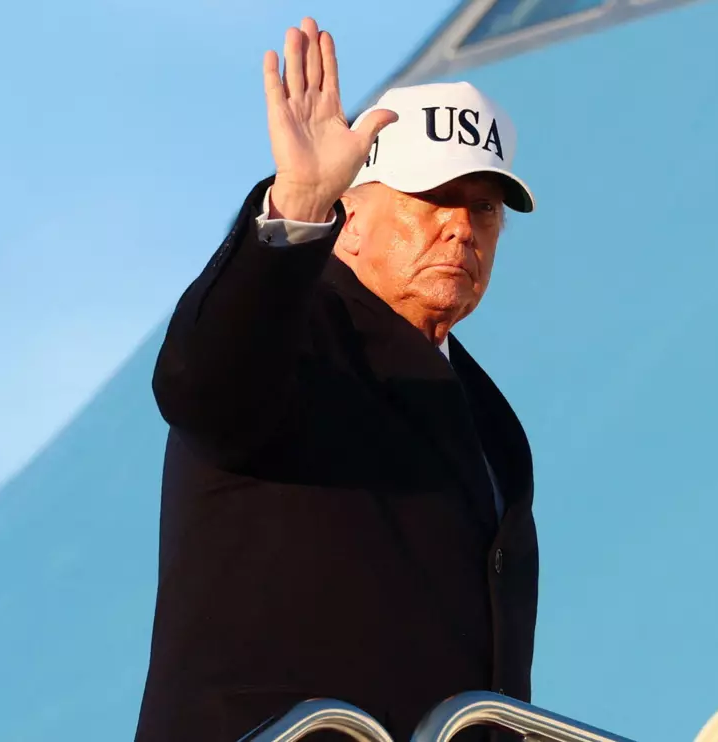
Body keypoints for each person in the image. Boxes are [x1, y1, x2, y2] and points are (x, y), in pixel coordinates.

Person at [134, 17, 540, 742]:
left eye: (482, 207)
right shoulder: (292, 334)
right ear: (348, 218)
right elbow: (202, 387)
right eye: (430, 198)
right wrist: (295, 210)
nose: (460, 228)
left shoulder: (490, 422)